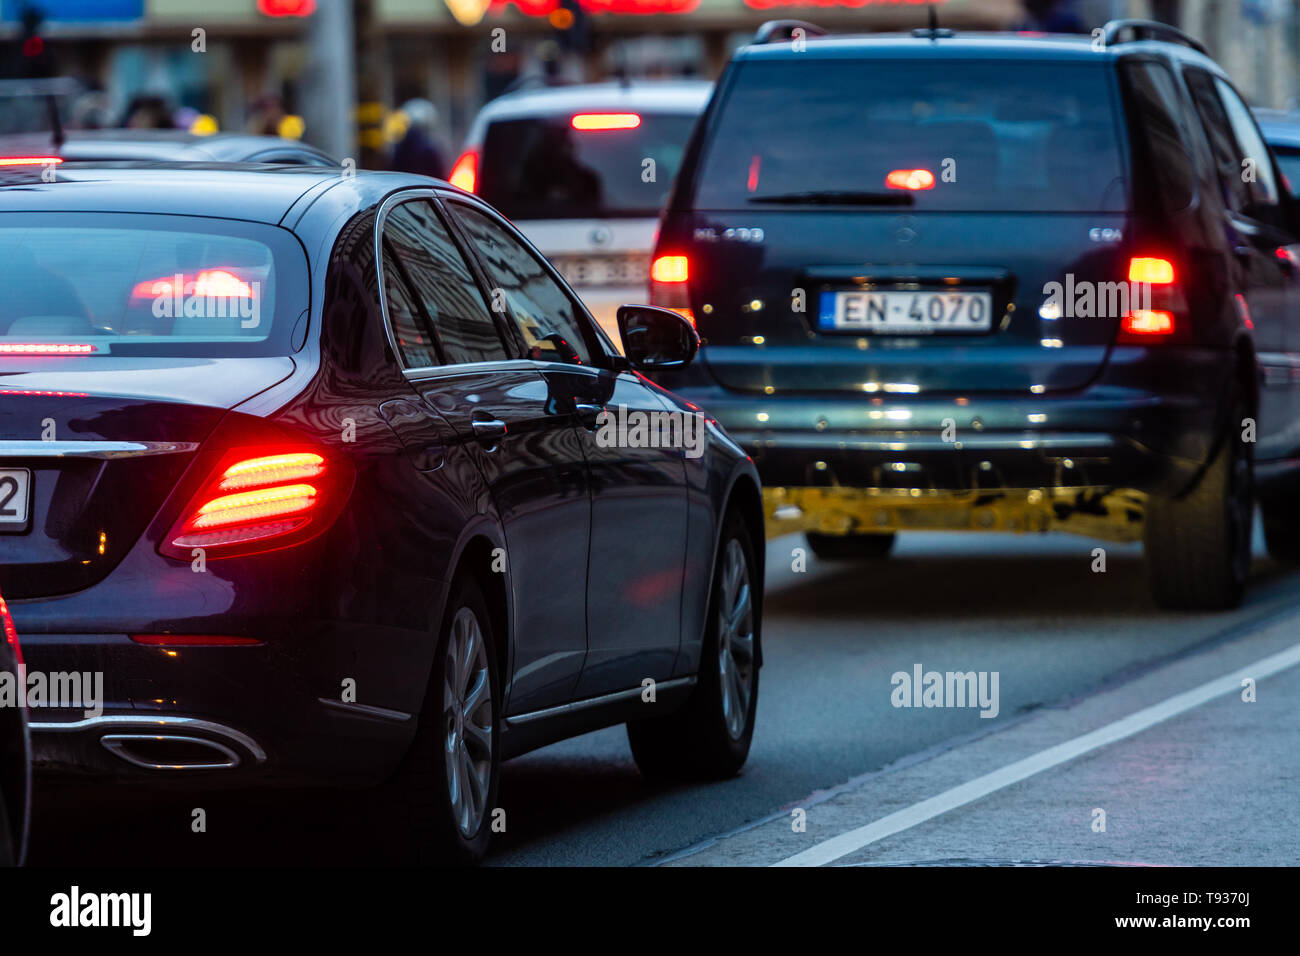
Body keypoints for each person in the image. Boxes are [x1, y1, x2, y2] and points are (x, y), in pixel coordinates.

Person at [390, 98, 447, 180]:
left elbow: (394, 168)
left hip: (405, 186)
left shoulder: (402, 143)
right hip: (424, 186)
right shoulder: (428, 145)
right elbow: (438, 172)